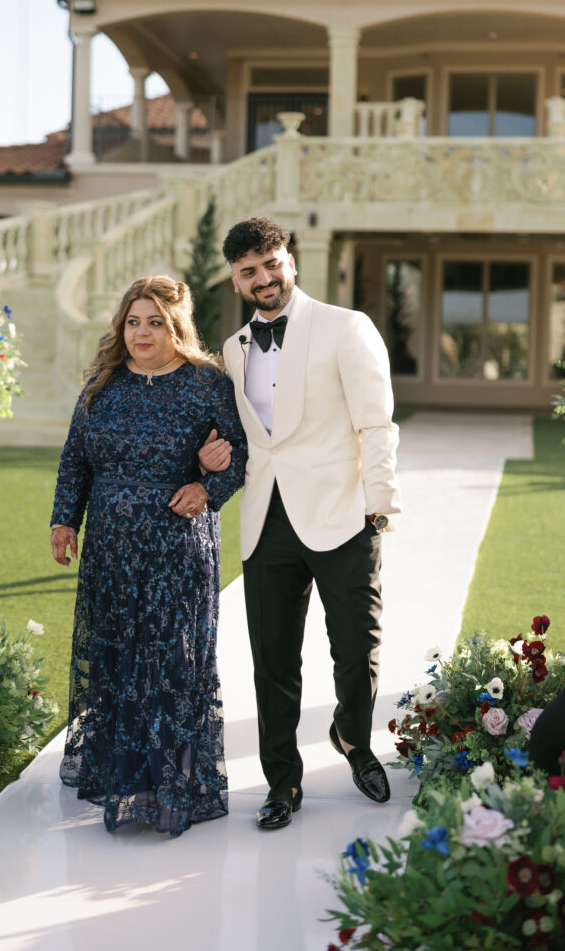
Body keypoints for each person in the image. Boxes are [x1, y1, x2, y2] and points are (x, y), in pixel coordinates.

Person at [210, 217, 402, 830]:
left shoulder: (348, 328)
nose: (263, 278)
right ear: (236, 281)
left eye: (271, 263)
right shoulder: (233, 348)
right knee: (272, 659)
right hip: (266, 519)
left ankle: (351, 735)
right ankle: (282, 782)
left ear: (288, 259)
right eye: (249, 271)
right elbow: (246, 440)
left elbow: (377, 423)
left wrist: (379, 505)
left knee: (357, 647)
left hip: (344, 512)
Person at [50, 275, 246, 837]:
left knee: (169, 659)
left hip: (177, 545)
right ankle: (120, 774)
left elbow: (238, 453)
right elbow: (75, 460)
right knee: (117, 653)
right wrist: (66, 519)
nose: (142, 332)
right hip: (111, 544)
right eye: (133, 321)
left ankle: (169, 782)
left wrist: (210, 486)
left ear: (176, 326)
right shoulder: (101, 383)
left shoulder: (208, 384)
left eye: (155, 321)